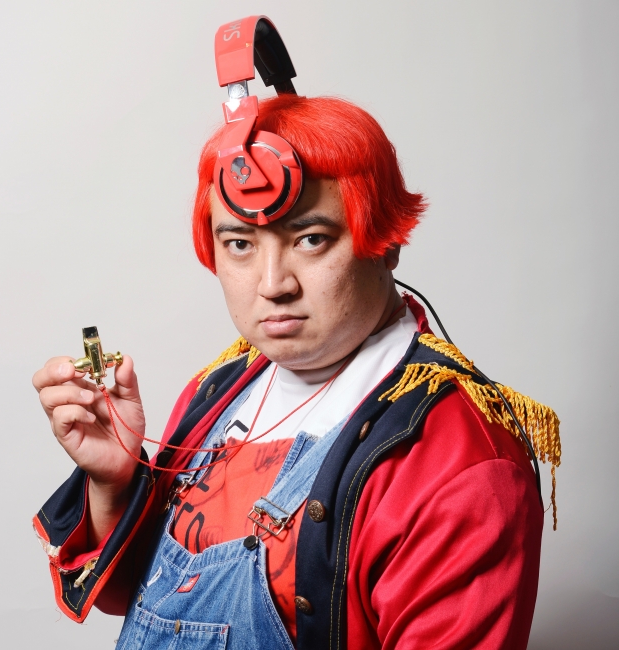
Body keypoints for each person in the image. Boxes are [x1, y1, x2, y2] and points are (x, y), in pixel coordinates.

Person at [32, 16, 560, 650]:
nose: (272, 283)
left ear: (385, 241)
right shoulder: (223, 389)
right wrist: (115, 482)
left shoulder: (456, 460)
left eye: (310, 239)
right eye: (240, 244)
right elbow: (135, 597)